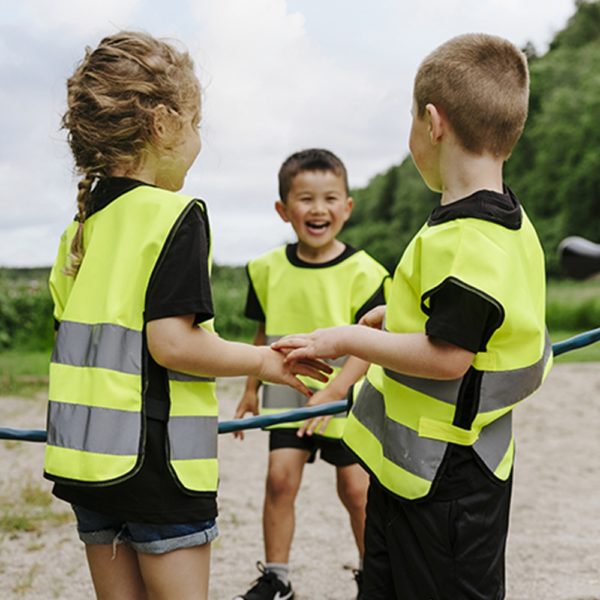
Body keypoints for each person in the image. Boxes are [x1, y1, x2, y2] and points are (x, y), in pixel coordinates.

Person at [43, 31, 330, 600]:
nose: (199, 137)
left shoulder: (80, 229)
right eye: (197, 122)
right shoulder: (174, 215)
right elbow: (172, 343)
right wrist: (266, 361)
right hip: (160, 468)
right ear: (162, 125)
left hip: (87, 468)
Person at [274, 34, 552, 600]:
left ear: (433, 122)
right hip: (416, 473)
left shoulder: (468, 241)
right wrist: (387, 320)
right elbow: (460, 324)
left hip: (447, 480)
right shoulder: (502, 223)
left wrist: (346, 336)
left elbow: (449, 358)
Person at [233, 148, 389, 600]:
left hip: (347, 400)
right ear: (284, 210)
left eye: (330, 198)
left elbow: (374, 346)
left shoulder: (366, 272)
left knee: (356, 489)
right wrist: (249, 390)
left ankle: (373, 579)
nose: (318, 209)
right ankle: (277, 579)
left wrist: (338, 388)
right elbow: (262, 334)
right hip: (289, 397)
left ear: (347, 207)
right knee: (279, 481)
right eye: (305, 199)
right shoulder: (265, 270)